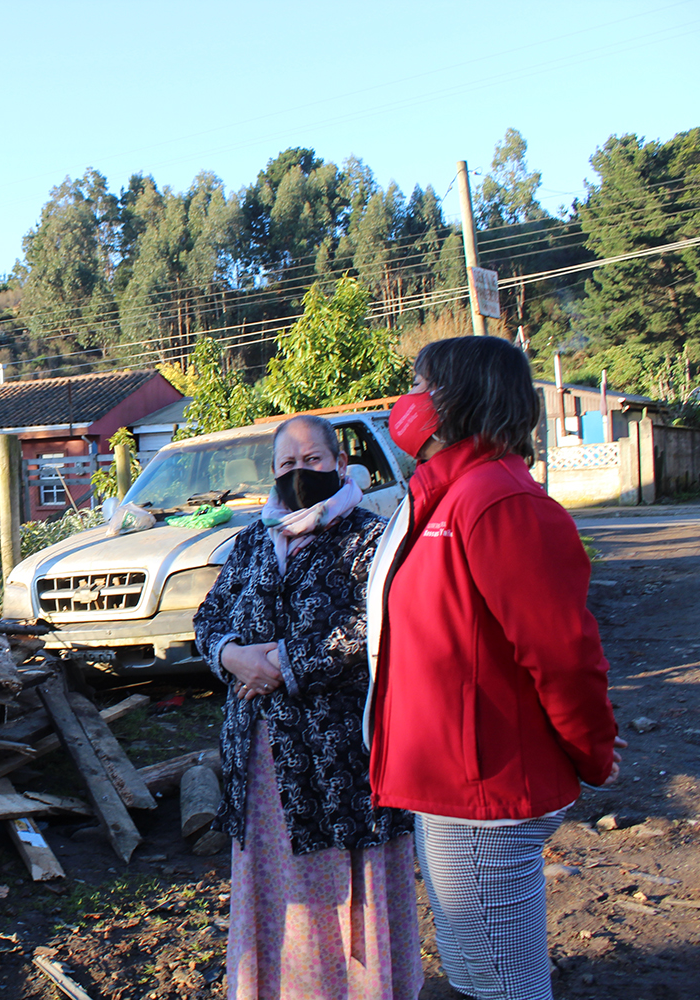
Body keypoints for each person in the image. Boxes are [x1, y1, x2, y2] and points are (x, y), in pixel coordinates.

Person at [365, 336, 622, 1000]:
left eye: (420, 385)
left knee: (502, 984)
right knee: (476, 970)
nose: (406, 401)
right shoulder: (443, 495)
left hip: (486, 792)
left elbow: (563, 653)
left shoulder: (498, 501)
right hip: (450, 783)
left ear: (459, 398)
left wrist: (592, 751)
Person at [195, 414, 422, 999]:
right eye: (288, 464)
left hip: (343, 754)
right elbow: (209, 617)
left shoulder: (371, 537)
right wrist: (232, 656)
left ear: (341, 465)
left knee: (349, 883)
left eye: (313, 460)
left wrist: (282, 665)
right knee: (279, 883)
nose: (301, 472)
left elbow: (375, 624)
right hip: (262, 755)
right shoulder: (251, 541)